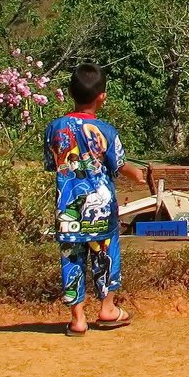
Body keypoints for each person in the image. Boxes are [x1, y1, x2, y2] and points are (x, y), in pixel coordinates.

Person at [44, 62, 145, 336]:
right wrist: (135, 173)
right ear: (102, 96)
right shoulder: (106, 131)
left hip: (68, 210)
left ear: (70, 92)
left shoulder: (54, 128)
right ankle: (108, 308)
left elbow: (54, 164)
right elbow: (119, 163)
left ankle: (78, 319)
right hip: (101, 210)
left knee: (71, 260)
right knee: (105, 256)